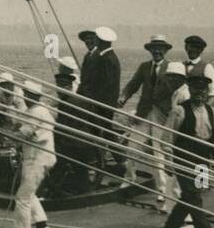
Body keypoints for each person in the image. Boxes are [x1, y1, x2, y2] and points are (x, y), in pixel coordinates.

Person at [160, 75, 214, 228]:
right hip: (184, 157)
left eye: (203, 90)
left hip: (203, 159)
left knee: (192, 194)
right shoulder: (179, 111)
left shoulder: (211, 111)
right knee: (193, 195)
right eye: (195, 89)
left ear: (207, 92)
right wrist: (168, 161)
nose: (199, 93)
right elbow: (166, 139)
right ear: (189, 90)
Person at [119, 35, 172, 192]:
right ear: (150, 50)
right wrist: (123, 97)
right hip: (143, 113)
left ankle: (162, 188)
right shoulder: (144, 67)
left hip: (161, 116)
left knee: (158, 151)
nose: (157, 51)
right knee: (132, 146)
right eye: (154, 48)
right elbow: (132, 85)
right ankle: (129, 178)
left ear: (165, 50)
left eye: (160, 48)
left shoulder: (171, 68)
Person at [6, 81, 57, 228]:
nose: (24, 98)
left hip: (37, 157)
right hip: (42, 155)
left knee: (22, 197)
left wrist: (7, 138)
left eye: (26, 95)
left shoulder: (35, 112)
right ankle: (42, 225)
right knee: (29, 192)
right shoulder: (41, 110)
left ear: (30, 96)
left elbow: (25, 133)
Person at [78, 26, 121, 173]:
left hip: (102, 104)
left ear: (100, 41)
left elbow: (106, 85)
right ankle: (100, 161)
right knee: (98, 131)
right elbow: (86, 81)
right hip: (95, 102)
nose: (91, 41)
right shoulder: (96, 57)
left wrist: (91, 100)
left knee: (104, 132)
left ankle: (119, 161)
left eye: (94, 39)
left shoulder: (107, 59)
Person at [148, 61, 190, 211]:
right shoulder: (176, 92)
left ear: (182, 78)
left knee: (176, 174)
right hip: (174, 138)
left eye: (175, 77)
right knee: (172, 173)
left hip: (180, 139)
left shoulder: (184, 95)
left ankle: (177, 206)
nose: (171, 80)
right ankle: (171, 204)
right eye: (169, 77)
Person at [50, 55, 93, 195]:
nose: (58, 91)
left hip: (75, 144)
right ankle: (77, 188)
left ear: (68, 87)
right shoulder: (70, 99)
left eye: (60, 87)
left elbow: (64, 126)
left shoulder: (69, 103)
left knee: (56, 155)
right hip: (81, 141)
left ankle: (56, 188)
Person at [182, 35, 214, 105]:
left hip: (198, 109)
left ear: (201, 50)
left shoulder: (207, 67)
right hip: (181, 109)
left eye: (197, 48)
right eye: (190, 47)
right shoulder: (180, 66)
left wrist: (204, 110)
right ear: (186, 48)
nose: (193, 50)